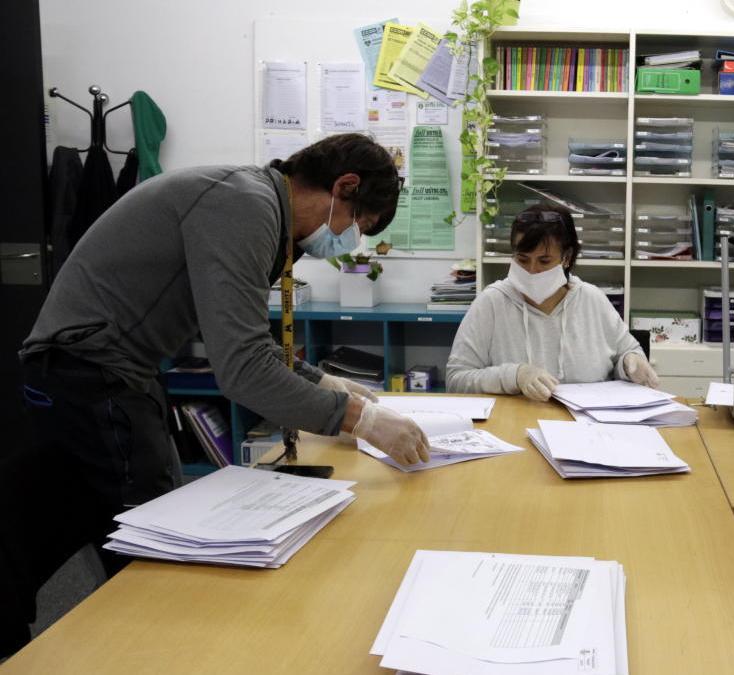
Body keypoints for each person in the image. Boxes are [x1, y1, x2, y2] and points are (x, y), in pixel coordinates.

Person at [0, 133, 429, 657]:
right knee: (163, 538)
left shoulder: (253, 200)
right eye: (357, 224)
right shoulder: (244, 206)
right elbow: (242, 370)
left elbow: (248, 342)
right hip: (92, 371)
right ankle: (163, 657)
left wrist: (323, 381)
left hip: (92, 369)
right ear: (344, 186)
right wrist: (358, 418)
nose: (349, 239)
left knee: (61, 514)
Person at [446, 203, 658, 400]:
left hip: (585, 429)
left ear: (566, 257)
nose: (531, 270)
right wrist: (514, 375)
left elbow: (627, 353)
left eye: (544, 261)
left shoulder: (592, 301)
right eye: (522, 259)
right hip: (513, 425)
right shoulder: (491, 303)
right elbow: (456, 380)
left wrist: (631, 362)